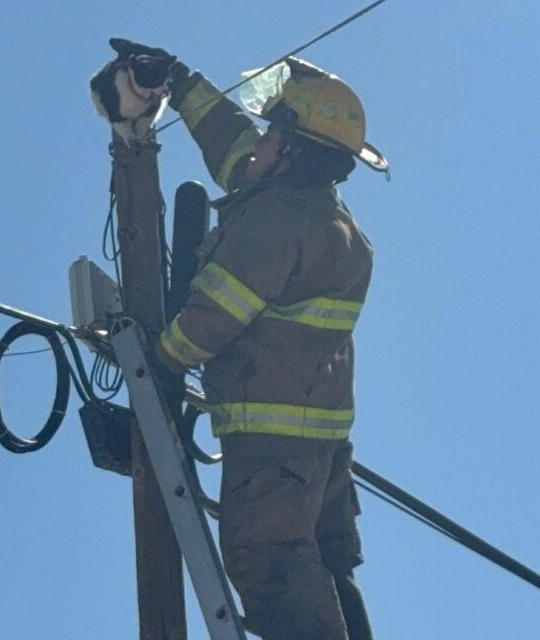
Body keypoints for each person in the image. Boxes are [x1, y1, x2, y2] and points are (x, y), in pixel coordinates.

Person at [151, 49, 389, 640]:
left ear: (293, 152)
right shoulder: (330, 224)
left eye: (272, 132)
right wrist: (181, 83)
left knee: (273, 566)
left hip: (271, 450)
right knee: (328, 569)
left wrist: (158, 359)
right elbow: (231, 144)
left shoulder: (275, 222)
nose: (258, 142)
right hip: (324, 448)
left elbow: (209, 320)